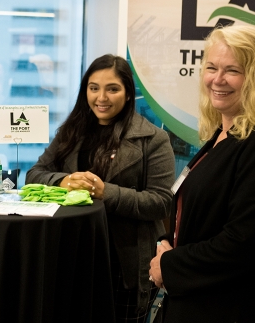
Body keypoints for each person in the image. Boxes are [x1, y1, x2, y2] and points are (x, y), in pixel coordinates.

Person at [26, 54, 175, 322]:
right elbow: (35, 174)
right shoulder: (71, 132)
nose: (101, 97)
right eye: (94, 88)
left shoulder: (153, 138)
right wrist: (62, 181)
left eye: (112, 89)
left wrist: (106, 192)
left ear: (128, 94)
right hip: (72, 253)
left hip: (124, 262)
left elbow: (162, 202)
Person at [149, 24, 255, 323]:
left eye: (232, 70)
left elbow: (242, 244)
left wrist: (170, 266)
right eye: (212, 67)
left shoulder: (251, 144)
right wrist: (163, 244)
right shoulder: (221, 136)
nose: (217, 80)